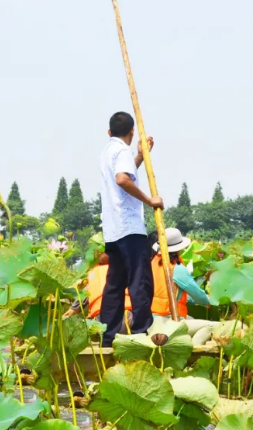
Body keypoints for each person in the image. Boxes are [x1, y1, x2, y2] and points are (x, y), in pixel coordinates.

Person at [99, 111, 164, 347]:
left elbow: (126, 173)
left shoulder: (107, 151)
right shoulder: (122, 151)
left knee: (115, 284)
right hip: (129, 228)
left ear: (109, 132)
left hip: (113, 231)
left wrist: (139, 156)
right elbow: (122, 179)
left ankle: (107, 337)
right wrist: (150, 201)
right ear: (132, 132)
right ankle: (141, 332)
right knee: (140, 280)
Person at [150, 228, 218, 346]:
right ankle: (193, 352)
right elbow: (199, 296)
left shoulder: (152, 264)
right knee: (212, 326)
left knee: (191, 319)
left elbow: (170, 295)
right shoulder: (177, 268)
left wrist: (195, 302)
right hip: (169, 320)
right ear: (179, 248)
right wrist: (211, 300)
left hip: (151, 319)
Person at [63, 253, 133, 334]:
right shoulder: (126, 273)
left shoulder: (92, 279)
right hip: (127, 321)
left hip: (101, 324)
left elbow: (71, 312)